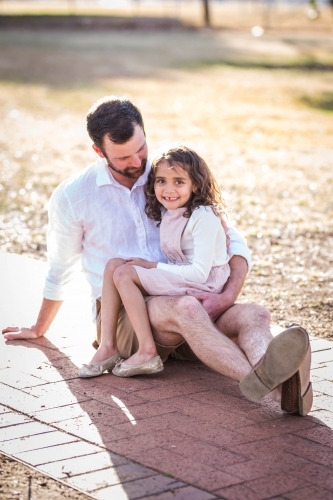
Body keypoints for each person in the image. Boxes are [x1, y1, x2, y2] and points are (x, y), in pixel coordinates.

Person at [2, 95, 313, 416]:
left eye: (141, 148)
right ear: (99, 151)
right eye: (123, 157)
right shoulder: (73, 196)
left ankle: (283, 380)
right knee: (187, 309)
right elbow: (60, 268)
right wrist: (40, 327)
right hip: (124, 314)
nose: (137, 162)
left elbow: (233, 240)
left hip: (181, 293)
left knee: (255, 315)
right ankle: (270, 388)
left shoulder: (170, 176)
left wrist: (228, 295)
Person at [79, 145, 231, 378]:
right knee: (113, 266)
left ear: (196, 185)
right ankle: (107, 347)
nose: (168, 189)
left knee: (124, 274)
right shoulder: (173, 211)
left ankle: (147, 351)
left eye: (179, 182)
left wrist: (151, 266)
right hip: (185, 274)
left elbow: (199, 273)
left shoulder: (203, 216)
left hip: (205, 282)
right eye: (161, 181)